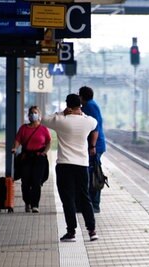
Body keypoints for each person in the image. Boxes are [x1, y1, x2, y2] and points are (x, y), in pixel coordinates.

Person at [41, 94, 99, 242]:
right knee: (85, 197)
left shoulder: (61, 120)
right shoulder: (88, 121)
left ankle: (71, 232)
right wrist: (82, 114)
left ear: (67, 106)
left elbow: (43, 119)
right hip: (82, 165)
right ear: (80, 105)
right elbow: (94, 123)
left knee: (68, 199)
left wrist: (62, 113)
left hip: (64, 165)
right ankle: (92, 231)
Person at [11, 106, 51, 213]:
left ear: (39, 115)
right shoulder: (23, 128)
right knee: (25, 181)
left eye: (35, 112)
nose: (33, 115)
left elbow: (48, 142)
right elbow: (18, 140)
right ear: (28, 116)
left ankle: (35, 204)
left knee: (36, 181)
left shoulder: (43, 129)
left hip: (39, 158)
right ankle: (27, 202)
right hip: (26, 157)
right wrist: (15, 148)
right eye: (32, 113)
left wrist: (44, 152)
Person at [79, 86, 106, 214]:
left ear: (82, 96)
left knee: (94, 173)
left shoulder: (90, 106)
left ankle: (94, 205)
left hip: (95, 146)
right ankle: (90, 204)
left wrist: (92, 146)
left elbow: (94, 127)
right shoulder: (91, 105)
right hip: (94, 145)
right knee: (90, 173)